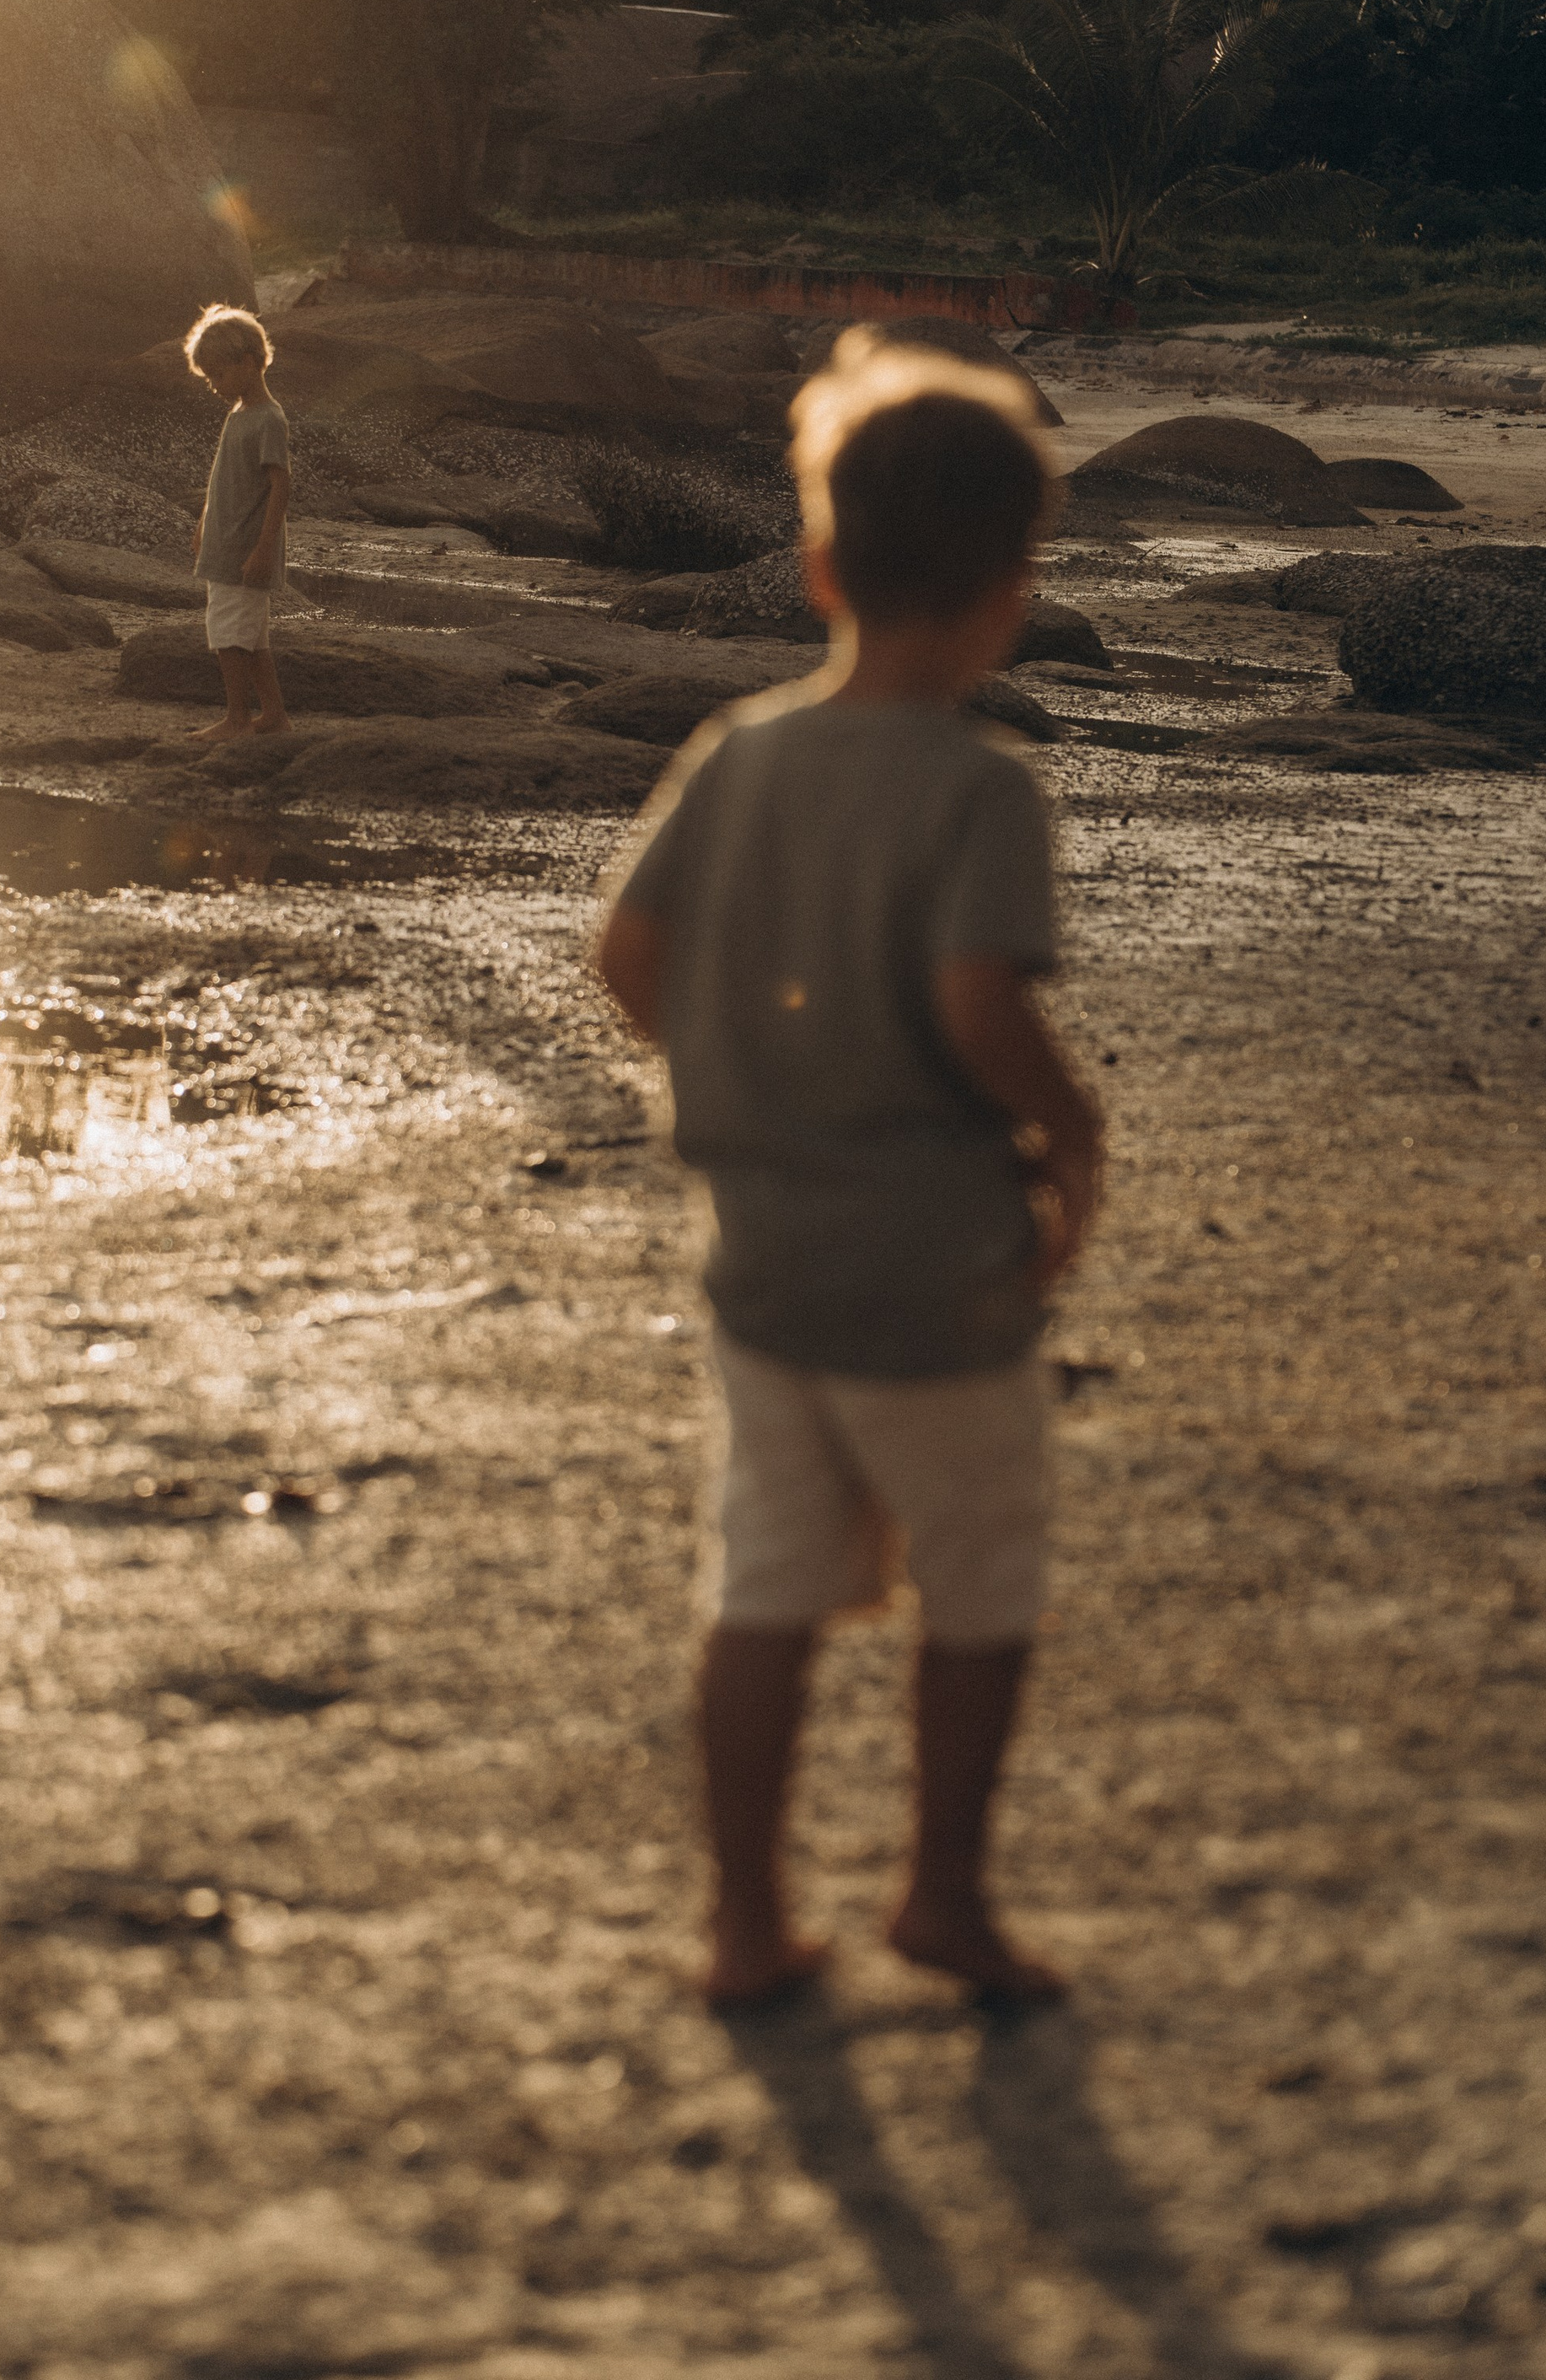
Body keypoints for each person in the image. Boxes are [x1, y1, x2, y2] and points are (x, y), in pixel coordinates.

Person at [595, 329, 1104, 2013]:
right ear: (1010, 592)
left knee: (763, 1591)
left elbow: (624, 951)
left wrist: (736, 1066)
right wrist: (1066, 1130)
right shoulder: (980, 787)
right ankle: (937, 1895)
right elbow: (976, 1002)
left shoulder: (737, 750)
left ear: (814, 565)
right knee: (979, 1580)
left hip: (761, 1260)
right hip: (929, 1270)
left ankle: (744, 1923)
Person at [184, 304, 292, 742]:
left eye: (219, 376)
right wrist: (203, 522)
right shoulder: (240, 413)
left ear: (247, 362)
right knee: (254, 639)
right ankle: (274, 715)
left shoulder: (268, 418)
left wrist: (264, 549)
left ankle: (236, 719)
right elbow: (224, 479)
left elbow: (280, 487)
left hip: (244, 549)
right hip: (224, 542)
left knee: (229, 636)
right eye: (209, 379)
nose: (214, 387)